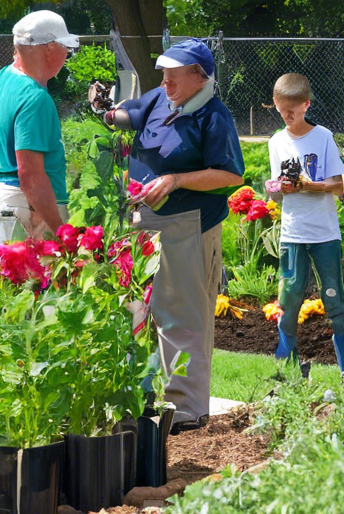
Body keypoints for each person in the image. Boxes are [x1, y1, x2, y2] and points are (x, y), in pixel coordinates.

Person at [105, 39, 244, 433]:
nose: (164, 84)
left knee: (182, 318)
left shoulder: (213, 116)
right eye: (163, 77)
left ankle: (187, 412)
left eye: (173, 78)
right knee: (138, 315)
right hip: (141, 225)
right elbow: (124, 116)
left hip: (187, 225)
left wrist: (175, 179)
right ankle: (145, 400)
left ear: (199, 77)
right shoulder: (160, 99)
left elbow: (231, 175)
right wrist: (105, 109)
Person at [267, 73, 344, 378]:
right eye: (282, 111)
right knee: (290, 294)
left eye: (292, 111)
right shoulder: (276, 142)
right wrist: (278, 189)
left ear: (307, 104)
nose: (287, 117)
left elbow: (337, 186)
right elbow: (280, 196)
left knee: (333, 294)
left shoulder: (322, 137)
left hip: (323, 232)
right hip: (292, 233)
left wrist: (308, 186)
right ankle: (287, 364)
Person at [0, 10, 78, 249]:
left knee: (1, 285)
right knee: (36, 286)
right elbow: (30, 175)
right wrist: (60, 231)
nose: (66, 54)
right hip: (24, 207)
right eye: (64, 47)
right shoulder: (35, 98)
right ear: (49, 49)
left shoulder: (4, 77)